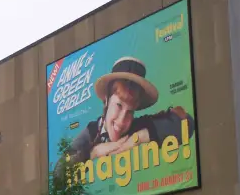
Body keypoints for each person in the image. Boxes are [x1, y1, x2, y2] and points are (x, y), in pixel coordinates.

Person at [67, 56, 195, 163]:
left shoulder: (138, 127)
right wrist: (93, 153)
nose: (122, 121)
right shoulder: (91, 132)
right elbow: (59, 172)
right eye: (118, 105)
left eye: (130, 111)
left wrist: (138, 138)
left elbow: (186, 124)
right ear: (106, 100)